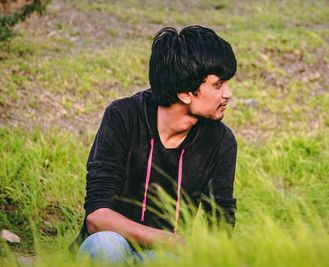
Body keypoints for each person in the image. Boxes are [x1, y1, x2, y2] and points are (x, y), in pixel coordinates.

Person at [70, 25, 238, 264]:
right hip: (109, 244)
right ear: (185, 93)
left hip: (163, 256)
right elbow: (97, 217)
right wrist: (170, 240)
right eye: (218, 84)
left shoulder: (221, 142)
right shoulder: (124, 116)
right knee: (107, 244)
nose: (228, 94)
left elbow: (220, 224)